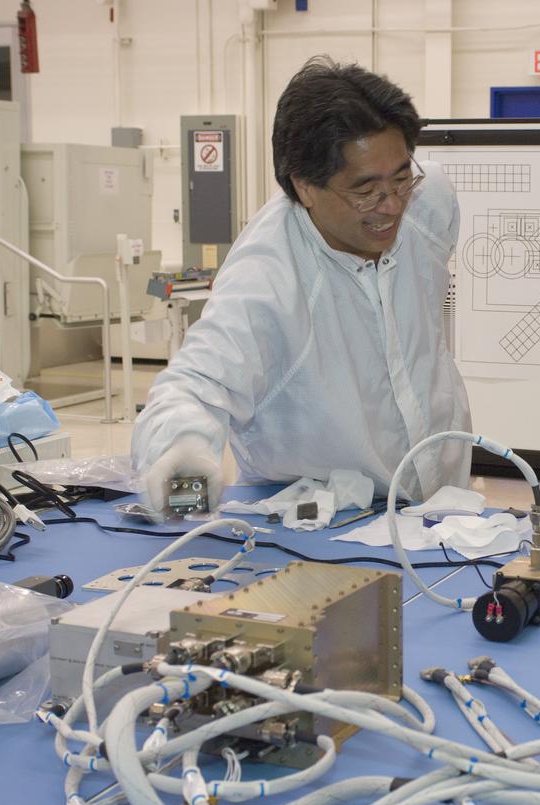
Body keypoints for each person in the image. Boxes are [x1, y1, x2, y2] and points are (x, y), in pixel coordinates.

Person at [132, 57, 470, 512]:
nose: (391, 206)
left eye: (402, 178)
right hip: (326, 524)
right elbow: (194, 385)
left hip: (442, 504)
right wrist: (183, 457)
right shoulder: (268, 277)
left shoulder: (431, 204)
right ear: (305, 187)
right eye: (365, 190)